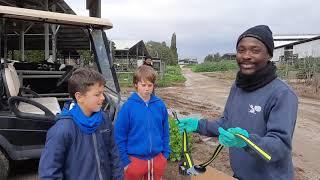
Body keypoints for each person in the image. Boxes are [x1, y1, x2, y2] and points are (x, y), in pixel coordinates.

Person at [178, 25, 298, 180]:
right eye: (241, 50)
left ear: (269, 54)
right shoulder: (238, 87)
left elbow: (279, 145)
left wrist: (246, 142)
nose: (246, 56)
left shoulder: (282, 94)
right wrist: (198, 125)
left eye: (255, 50)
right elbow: (227, 124)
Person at [39, 68, 124, 180]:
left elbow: (114, 155)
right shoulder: (62, 130)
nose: (103, 98)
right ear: (79, 97)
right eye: (97, 94)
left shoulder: (104, 120)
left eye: (103, 93)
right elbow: (49, 173)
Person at [114, 65, 170, 180]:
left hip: (157, 160)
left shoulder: (160, 105)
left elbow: (165, 132)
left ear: (153, 85)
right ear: (136, 84)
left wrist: (165, 155)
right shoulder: (128, 107)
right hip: (134, 161)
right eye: (143, 85)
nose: (147, 89)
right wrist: (125, 161)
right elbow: (119, 136)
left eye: (150, 85)